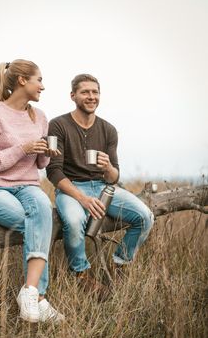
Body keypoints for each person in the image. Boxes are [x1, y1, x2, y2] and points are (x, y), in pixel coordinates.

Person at [0, 59, 64, 323]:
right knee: (35, 223)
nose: (43, 87)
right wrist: (23, 148)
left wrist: (46, 154)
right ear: (22, 81)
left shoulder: (40, 117)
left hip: (28, 186)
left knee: (42, 211)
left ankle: (31, 292)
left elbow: (40, 165)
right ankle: (38, 299)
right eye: (39, 80)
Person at [46, 74, 154, 287]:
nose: (91, 96)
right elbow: (54, 172)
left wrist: (108, 168)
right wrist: (83, 199)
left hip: (104, 189)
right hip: (71, 189)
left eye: (95, 92)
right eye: (85, 92)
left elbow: (114, 177)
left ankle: (120, 264)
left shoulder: (108, 130)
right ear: (73, 95)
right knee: (75, 222)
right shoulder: (58, 125)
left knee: (145, 217)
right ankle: (81, 274)